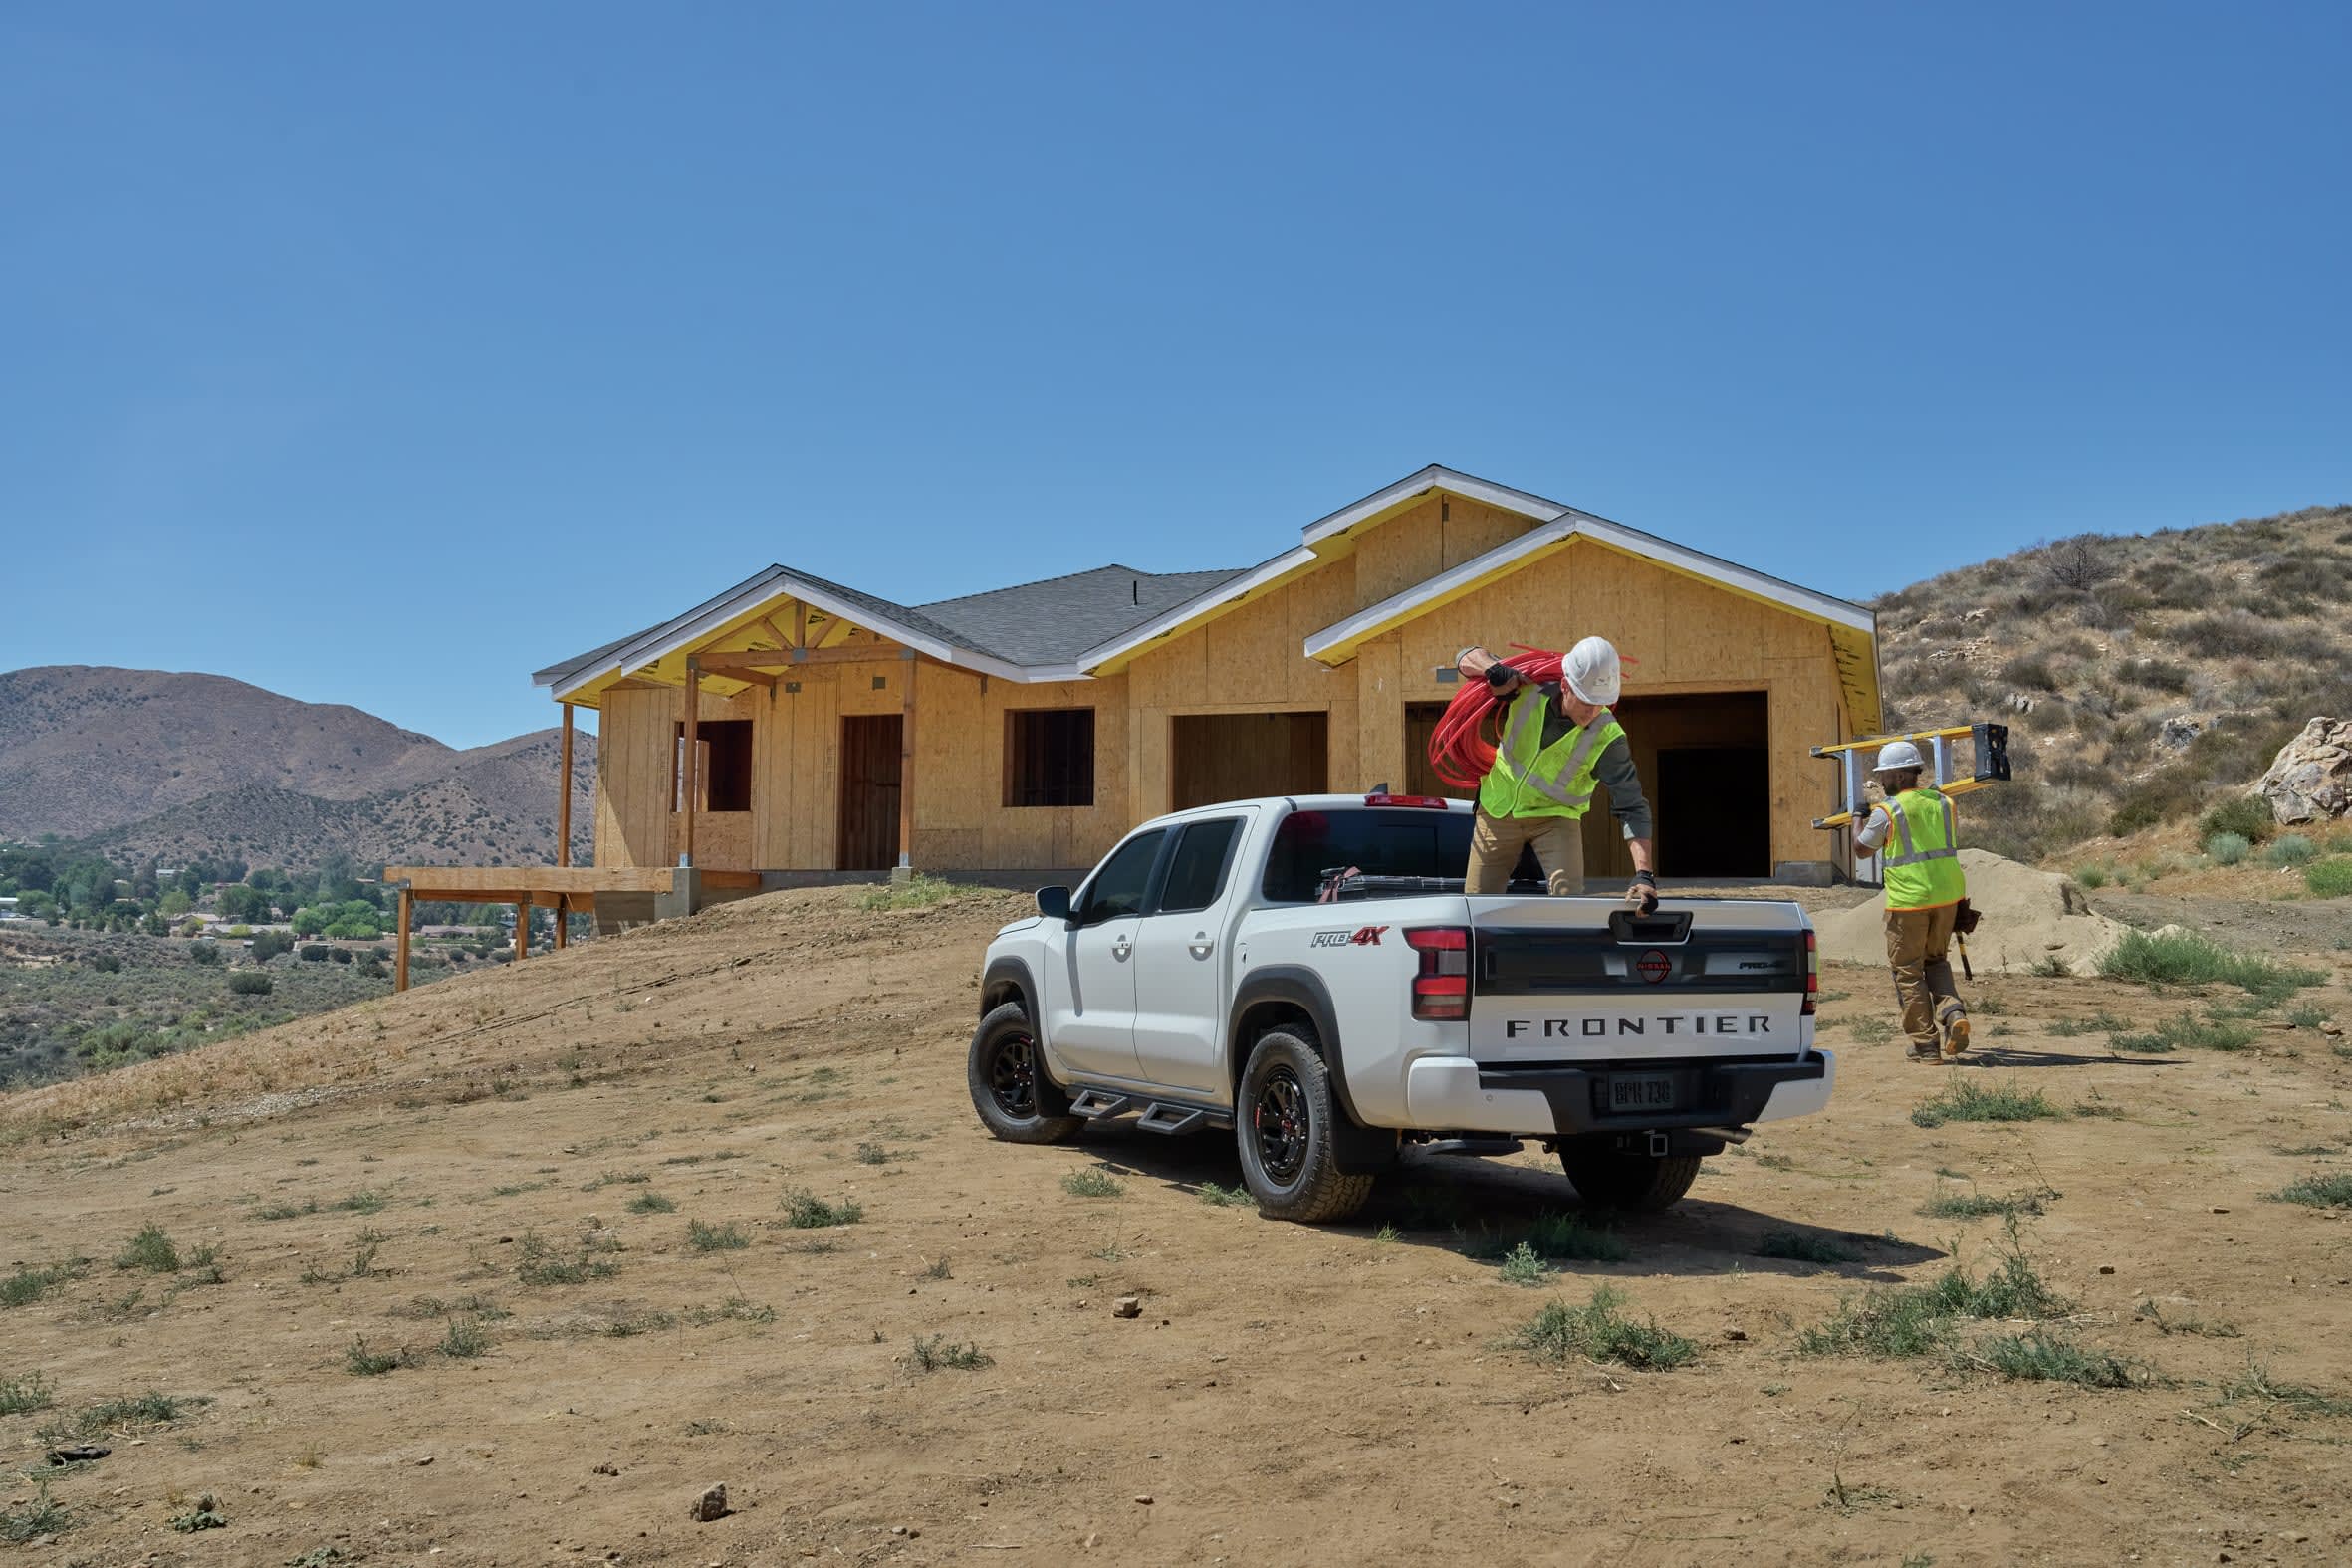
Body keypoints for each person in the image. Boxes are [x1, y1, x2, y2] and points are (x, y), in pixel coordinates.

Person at [1453, 636, 1659, 914]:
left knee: (1569, 905)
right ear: (1565, 686)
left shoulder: (1608, 739)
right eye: (1587, 700)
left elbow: (1632, 805)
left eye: (1602, 703)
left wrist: (1644, 874)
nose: (1594, 711)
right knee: (1475, 908)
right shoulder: (1527, 688)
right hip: (1498, 810)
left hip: (1556, 818)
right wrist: (1493, 669)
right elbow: (1465, 656)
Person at [1853, 740, 1970, 1061]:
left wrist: (1856, 818)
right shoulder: (1944, 804)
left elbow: (1862, 849)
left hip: (1909, 902)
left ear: (1900, 776)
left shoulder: (1888, 811)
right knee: (1936, 961)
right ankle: (1953, 1014)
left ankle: (1926, 1045)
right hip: (1947, 898)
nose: (1881, 782)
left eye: (1885, 776)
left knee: (1907, 971)